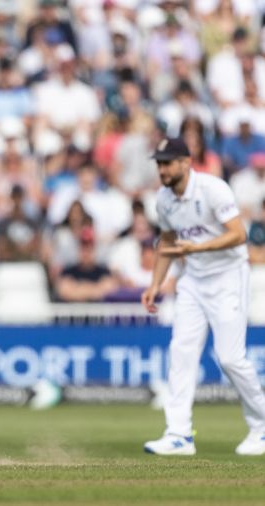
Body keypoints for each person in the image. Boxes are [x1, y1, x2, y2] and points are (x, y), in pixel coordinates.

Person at [141, 138, 265, 456]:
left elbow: (238, 234)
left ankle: (261, 427)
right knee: (181, 353)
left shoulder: (213, 189)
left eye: (167, 162)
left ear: (186, 162)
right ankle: (179, 434)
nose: (162, 169)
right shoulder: (164, 199)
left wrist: (196, 248)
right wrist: (155, 284)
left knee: (230, 358)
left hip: (228, 277)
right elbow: (167, 242)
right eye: (159, 163)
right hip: (192, 280)